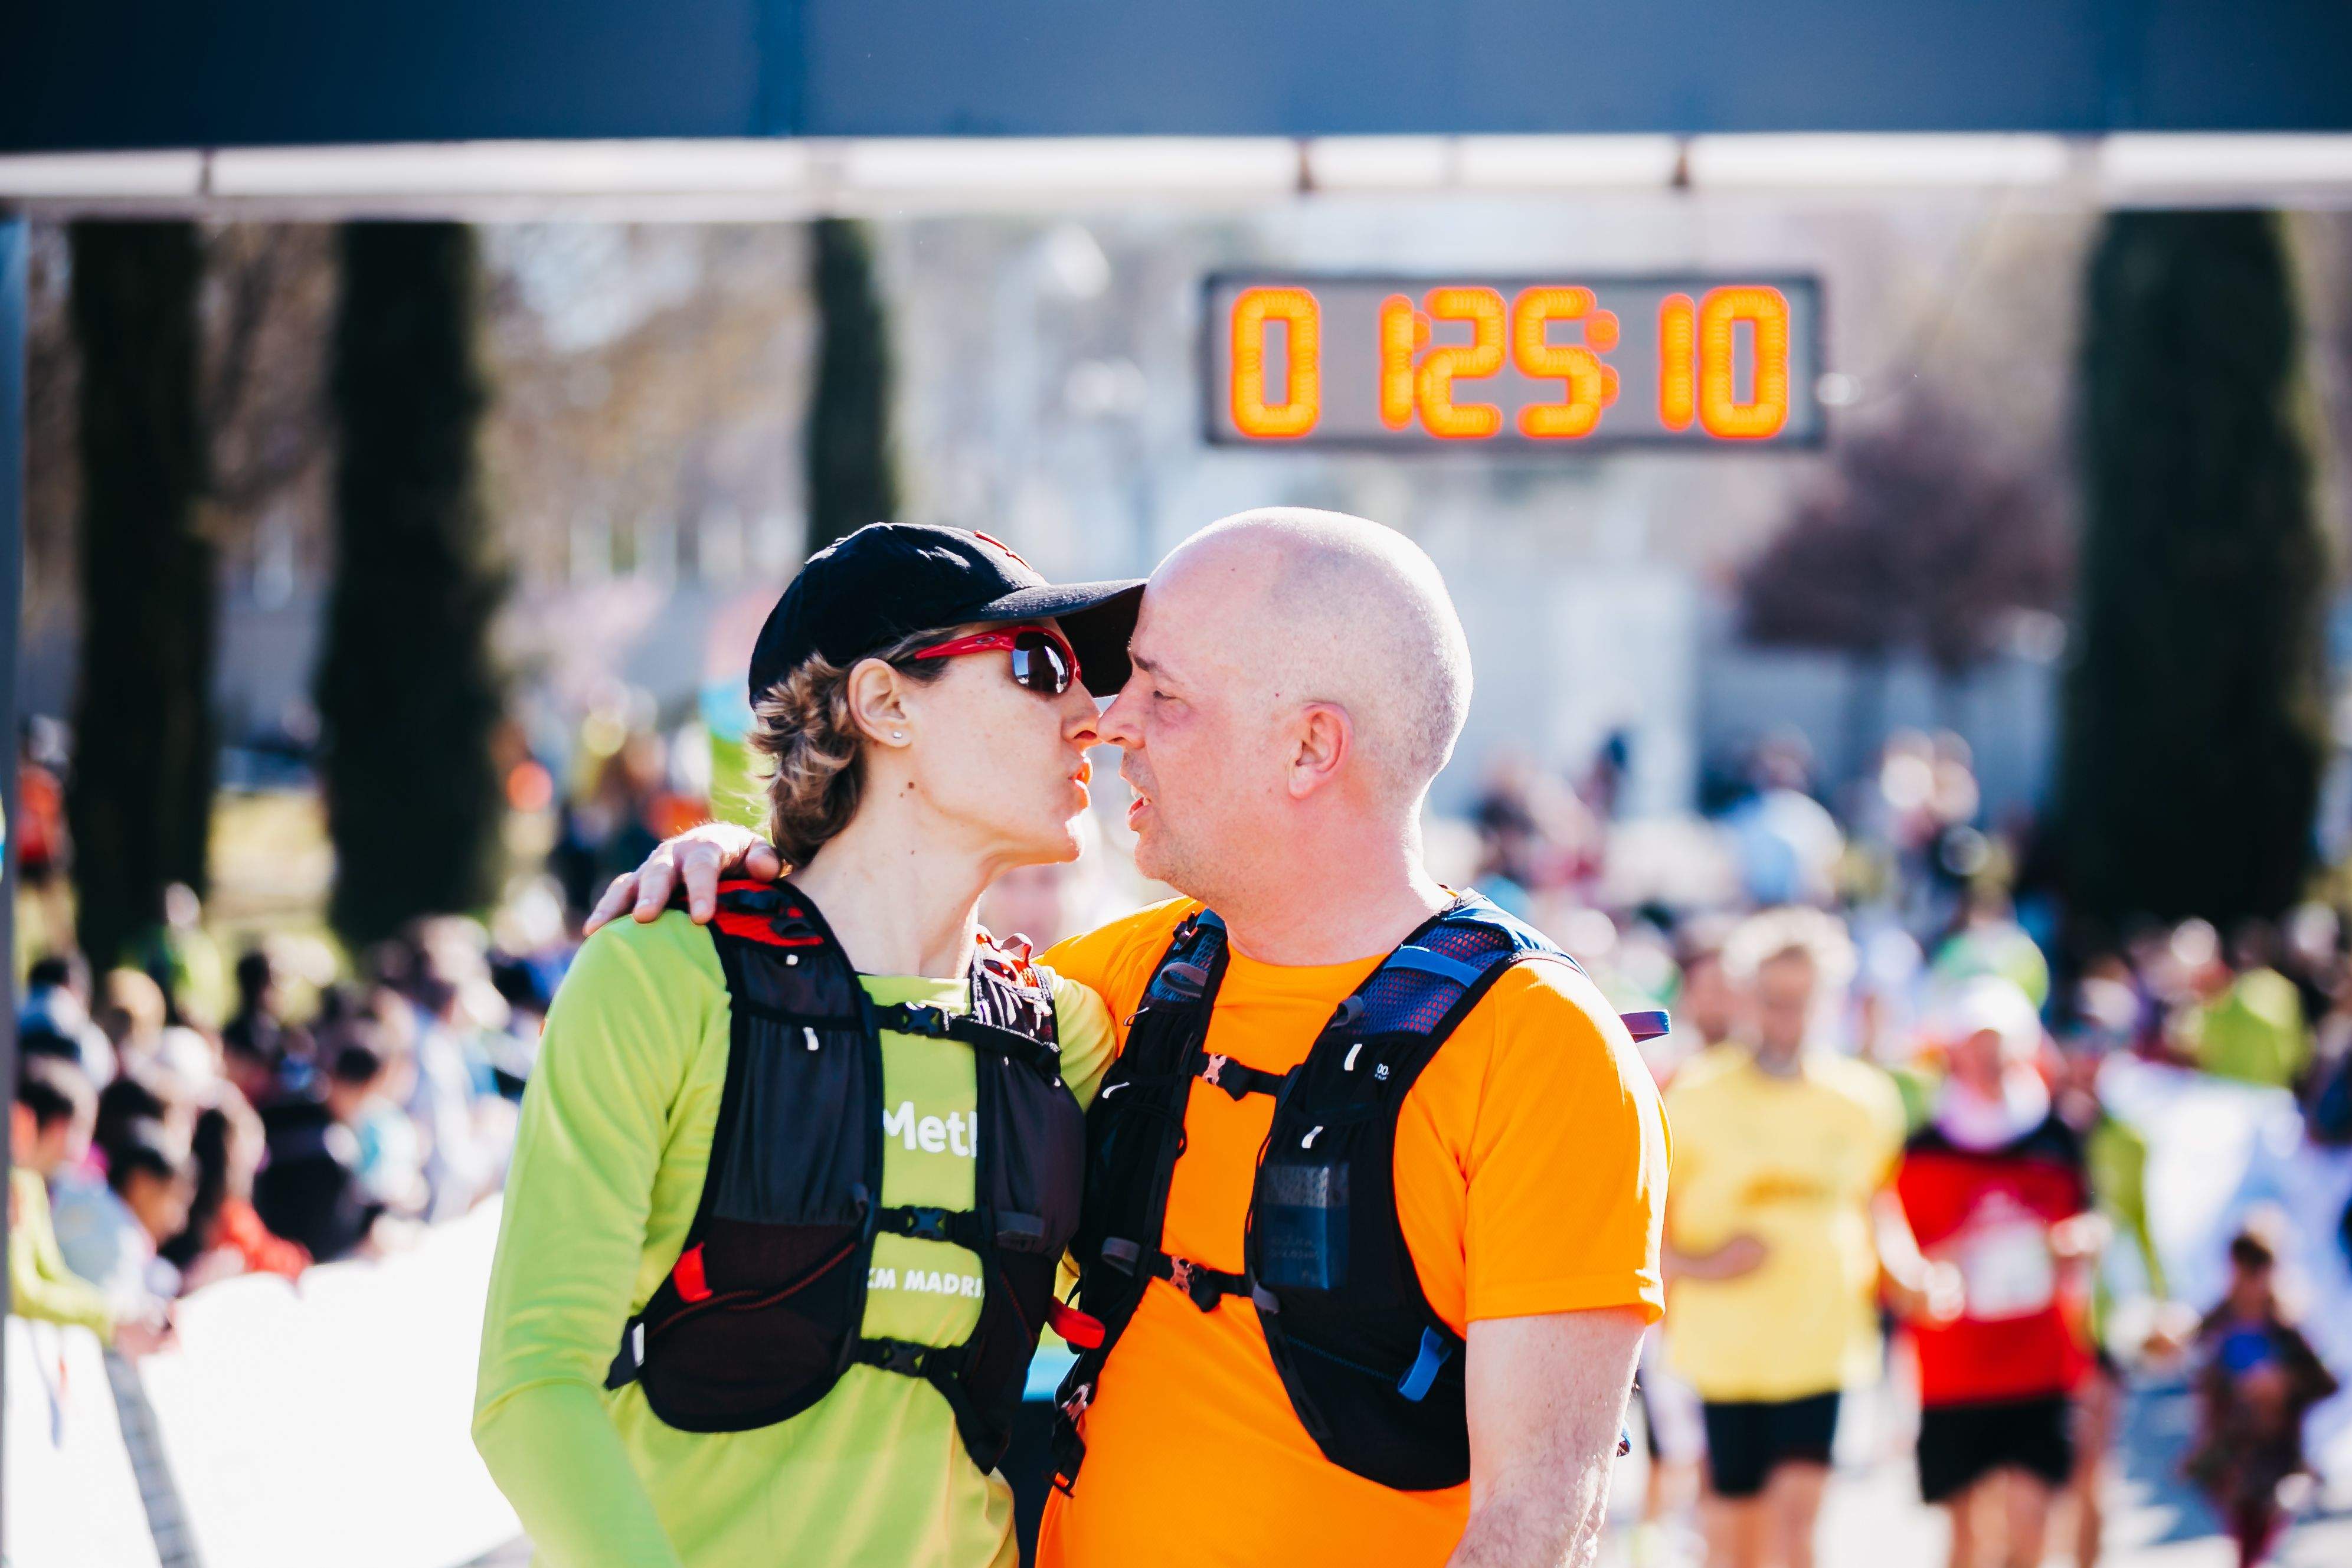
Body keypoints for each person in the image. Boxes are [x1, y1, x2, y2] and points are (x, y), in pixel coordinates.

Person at [602, 508, 1669, 1568]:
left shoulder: (1539, 1049)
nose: (1110, 724)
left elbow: (1538, 1524)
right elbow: (875, 979)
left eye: (1164, 695)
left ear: (1309, 747)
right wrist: (745, 867)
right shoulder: (1120, 985)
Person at [474, 524, 1138, 1568]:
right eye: (1039, 668)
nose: (1089, 715)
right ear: (884, 704)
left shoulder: (1070, 1035)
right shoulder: (663, 978)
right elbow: (533, 1384)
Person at [1659, 906, 1954, 1568]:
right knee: (1735, 1539)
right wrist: (1705, 1264)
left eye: (1802, 1000)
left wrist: (1908, 1272)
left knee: (1798, 1531)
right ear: (1744, 996)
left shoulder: (1862, 1097)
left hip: (1822, 1344)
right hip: (1723, 1353)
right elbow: (1646, 1230)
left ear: (1828, 1001)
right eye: (1772, 998)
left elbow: (1877, 1201)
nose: (1785, 1016)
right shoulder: (1694, 1095)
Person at [1894, 977, 2102, 1568]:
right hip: (1953, 1367)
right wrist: (1961, 1254)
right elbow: (1902, 1253)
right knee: (1968, 1537)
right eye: (1976, 1043)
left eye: (2000, 1042)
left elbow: (2092, 1220)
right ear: (1954, 1050)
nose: (1989, 1057)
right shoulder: (1923, 1147)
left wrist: (2078, 1241)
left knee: (2030, 1529)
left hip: (2040, 1360)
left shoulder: (2057, 1136)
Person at [2184, 1218, 2339, 1567]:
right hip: (2230, 1455)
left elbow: (2327, 1381)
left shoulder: (2287, 1330)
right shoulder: (2218, 1324)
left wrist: (2283, 1382)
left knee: (2262, 1542)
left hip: (2276, 1455)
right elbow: (2187, 1358)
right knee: (2246, 1537)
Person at [9, 1061, 169, 1353]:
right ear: (59, 1128)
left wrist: (119, 1313)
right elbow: (21, 1296)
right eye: (83, 1130)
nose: (85, 1148)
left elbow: (53, 1275)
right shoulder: (15, 1184)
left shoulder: (31, 1185)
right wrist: (112, 1321)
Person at [51, 1119, 193, 1323]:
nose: (179, 1223)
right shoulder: (118, 1237)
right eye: (176, 1201)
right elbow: (114, 1325)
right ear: (142, 1185)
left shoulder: (89, 1200)